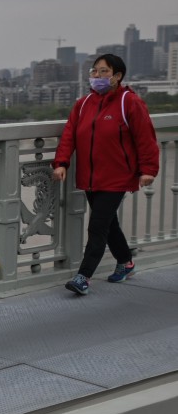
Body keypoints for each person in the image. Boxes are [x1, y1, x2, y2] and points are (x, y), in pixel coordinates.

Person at [51, 53, 159, 296]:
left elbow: (145, 138)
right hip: (90, 177)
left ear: (117, 76)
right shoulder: (84, 103)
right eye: (94, 71)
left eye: (104, 71)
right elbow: (69, 134)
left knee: (97, 226)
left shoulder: (128, 102)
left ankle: (83, 277)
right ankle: (126, 263)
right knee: (109, 224)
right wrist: (61, 163)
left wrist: (148, 170)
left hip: (117, 177)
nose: (97, 76)